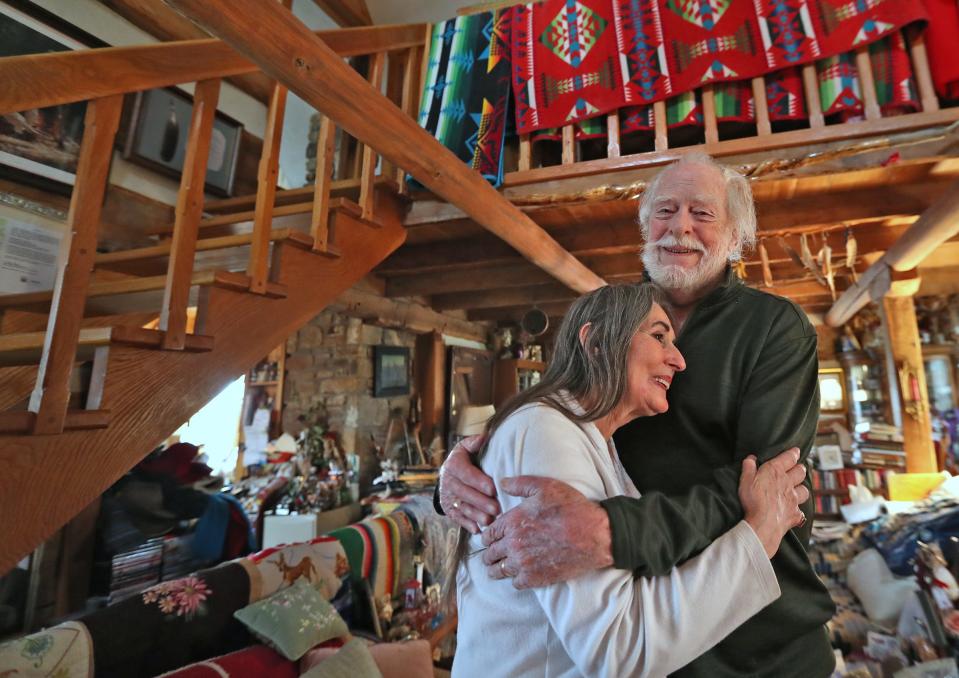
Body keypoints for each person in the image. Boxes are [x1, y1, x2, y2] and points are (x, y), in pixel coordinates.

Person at [439, 152, 836, 677]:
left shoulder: (774, 328)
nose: (680, 226)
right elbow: (547, 423)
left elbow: (763, 487)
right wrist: (457, 479)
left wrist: (613, 532)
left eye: (702, 213)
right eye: (665, 210)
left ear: (737, 235)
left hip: (755, 635)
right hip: (643, 615)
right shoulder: (615, 314)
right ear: (645, 225)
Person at [452, 283, 806, 677]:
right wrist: (759, 536)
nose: (679, 360)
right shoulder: (545, 431)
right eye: (658, 336)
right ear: (598, 342)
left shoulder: (597, 441)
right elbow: (619, 646)